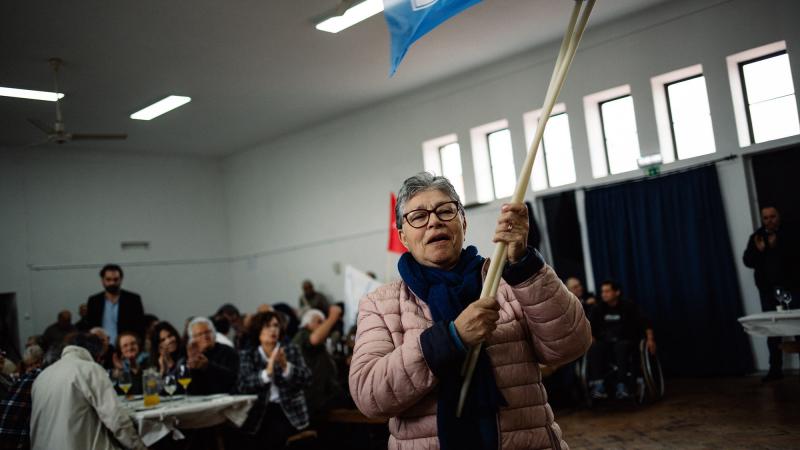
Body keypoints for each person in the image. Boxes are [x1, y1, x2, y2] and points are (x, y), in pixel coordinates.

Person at [349, 173, 591, 450]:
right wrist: (450, 339)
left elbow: (572, 344)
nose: (434, 220)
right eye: (418, 216)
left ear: (463, 221)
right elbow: (369, 395)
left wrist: (525, 266)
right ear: (403, 236)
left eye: (445, 210)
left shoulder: (509, 282)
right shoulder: (380, 304)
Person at [30, 333, 145, 450]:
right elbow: (116, 420)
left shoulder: (41, 377)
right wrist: (139, 446)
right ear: (97, 356)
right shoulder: (90, 369)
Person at [236, 312, 312, 450]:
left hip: (289, 410)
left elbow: (307, 379)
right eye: (267, 326)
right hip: (258, 410)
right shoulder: (248, 354)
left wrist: (285, 366)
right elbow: (243, 385)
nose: (273, 330)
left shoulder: (291, 350)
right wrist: (266, 373)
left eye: (276, 325)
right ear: (258, 331)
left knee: (273, 437)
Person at [743, 205, 800, 382]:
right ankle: (775, 370)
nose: (769, 220)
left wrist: (778, 245)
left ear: (779, 216)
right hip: (768, 291)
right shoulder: (756, 237)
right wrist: (760, 251)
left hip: (792, 288)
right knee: (772, 331)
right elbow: (747, 261)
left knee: (798, 327)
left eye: (772, 216)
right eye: (766, 218)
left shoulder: (790, 233)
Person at [587, 280, 656, 400]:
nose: (604, 294)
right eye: (603, 291)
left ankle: (622, 385)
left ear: (617, 292)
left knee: (621, 347)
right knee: (594, 347)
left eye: (607, 291)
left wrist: (650, 340)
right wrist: (590, 337)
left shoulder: (628, 305)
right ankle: (599, 385)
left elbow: (645, 322)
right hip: (606, 342)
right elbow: (588, 326)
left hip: (626, 341)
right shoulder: (598, 308)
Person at [292, 307, 344, 423]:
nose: (324, 325)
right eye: (319, 322)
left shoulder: (317, 340)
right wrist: (332, 317)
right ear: (307, 324)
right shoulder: (303, 334)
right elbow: (315, 339)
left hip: (323, 394)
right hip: (313, 398)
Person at [86, 264, 145, 347]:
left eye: (115, 279)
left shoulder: (133, 300)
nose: (112, 283)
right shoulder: (94, 301)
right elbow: (89, 327)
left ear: (121, 279)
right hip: (100, 348)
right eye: (108, 279)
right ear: (102, 280)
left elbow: (140, 327)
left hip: (126, 348)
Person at [185, 317, 239, 395]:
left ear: (214, 333)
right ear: (192, 339)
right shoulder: (188, 355)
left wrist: (208, 366)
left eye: (207, 332)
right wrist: (192, 367)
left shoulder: (228, 352)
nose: (205, 337)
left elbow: (233, 379)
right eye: (199, 334)